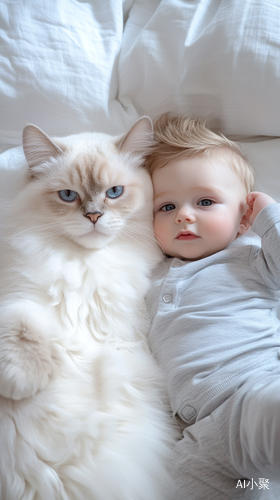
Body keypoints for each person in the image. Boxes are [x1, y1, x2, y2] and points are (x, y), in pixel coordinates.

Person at [145, 114, 280, 499]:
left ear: (243, 216)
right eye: (165, 207)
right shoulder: (151, 272)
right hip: (201, 433)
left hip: (253, 391)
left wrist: (269, 217)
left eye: (205, 201)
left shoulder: (252, 255)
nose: (184, 215)